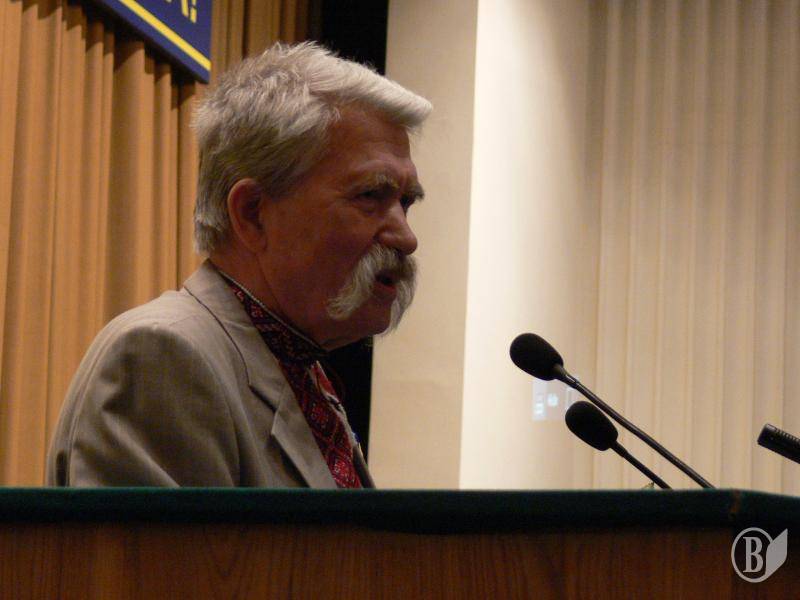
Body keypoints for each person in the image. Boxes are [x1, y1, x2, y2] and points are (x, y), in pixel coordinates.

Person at [46, 42, 432, 488]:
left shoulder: (296, 368)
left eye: (405, 202)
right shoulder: (163, 357)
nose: (407, 238)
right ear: (252, 213)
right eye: (370, 196)